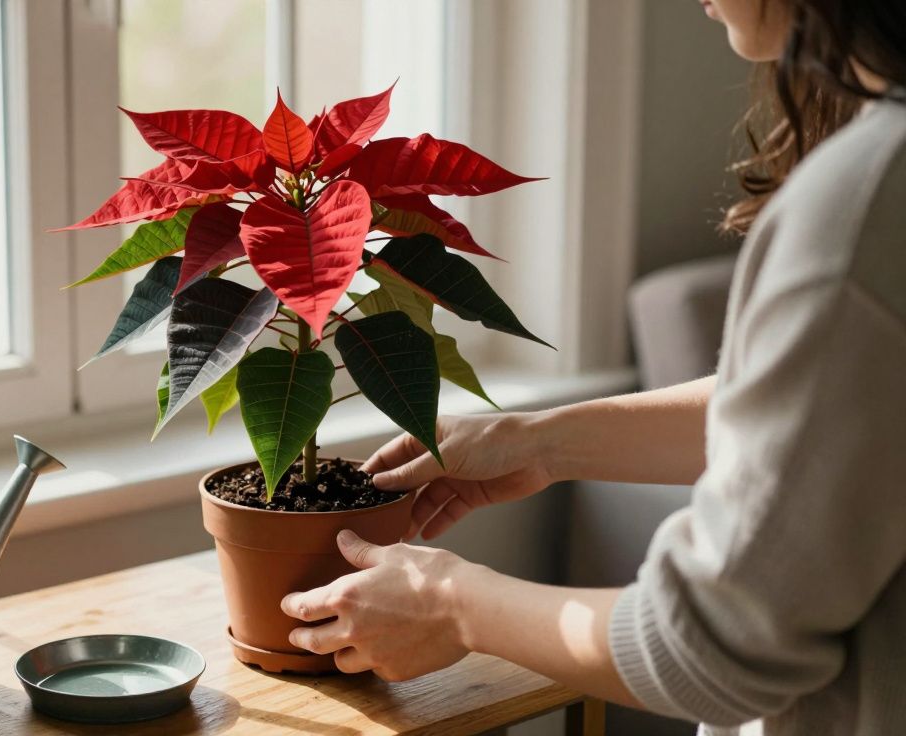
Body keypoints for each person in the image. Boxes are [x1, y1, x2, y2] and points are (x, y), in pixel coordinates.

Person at [281, 1, 906, 734]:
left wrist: (455, 605)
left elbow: (709, 646)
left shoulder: (863, 207)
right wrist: (545, 439)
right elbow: (838, 422)